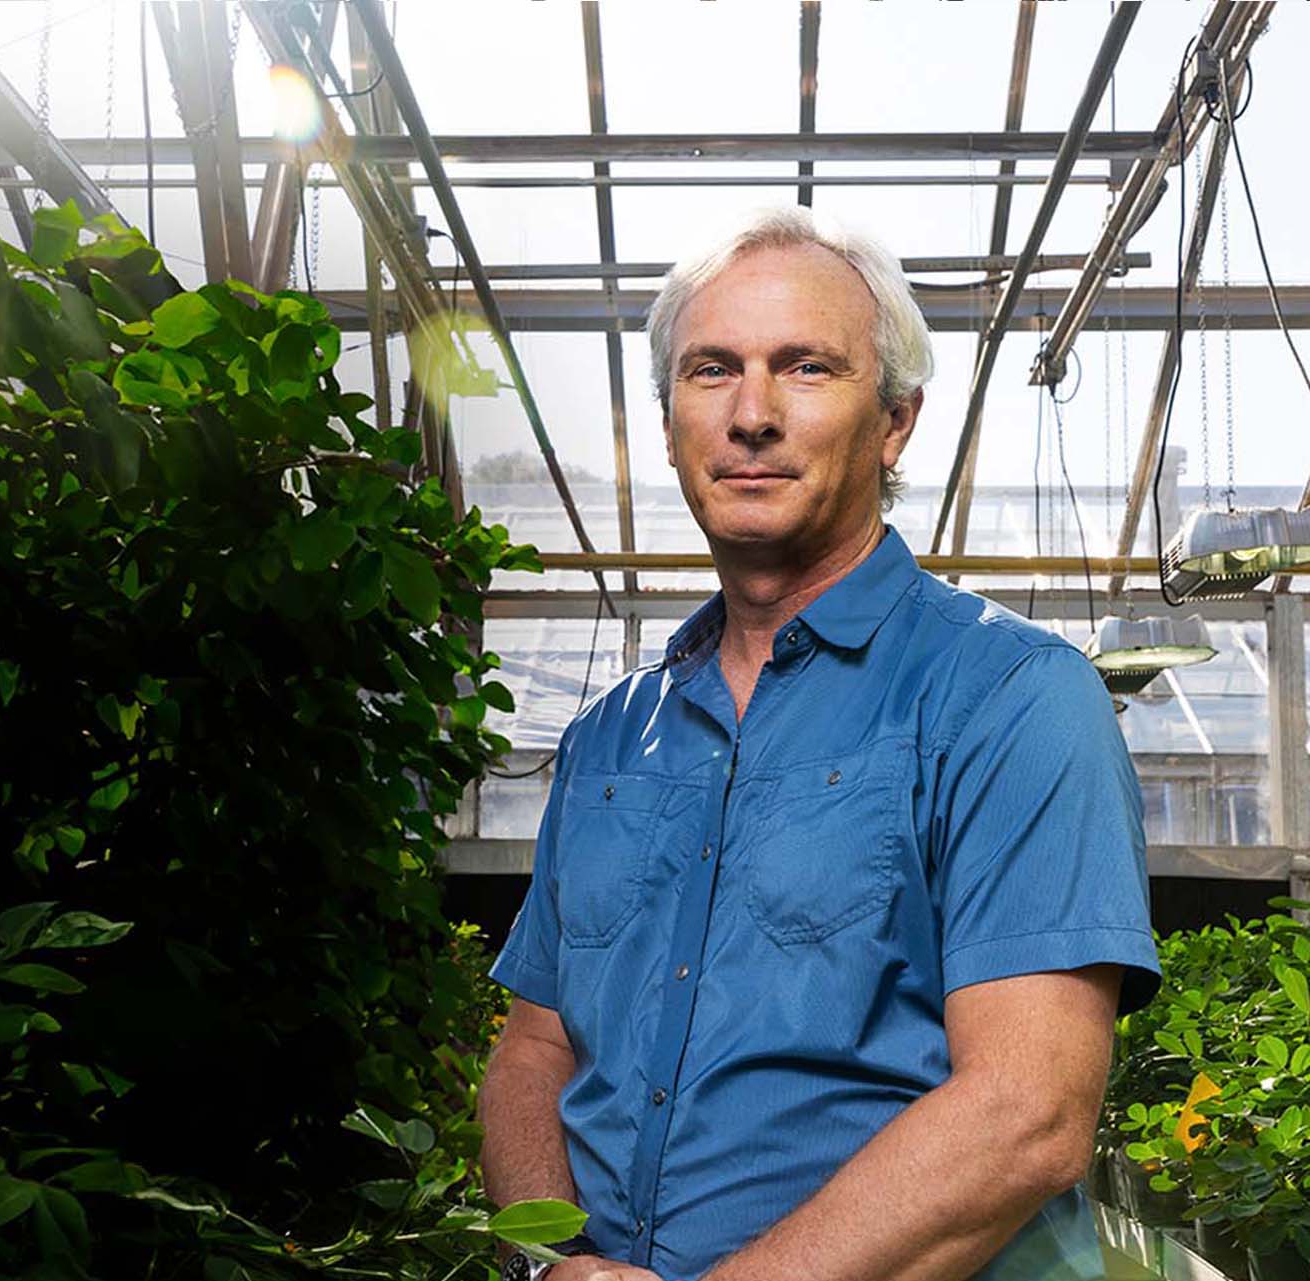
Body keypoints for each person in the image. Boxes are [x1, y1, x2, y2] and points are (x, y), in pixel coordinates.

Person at [478, 207, 1161, 1281]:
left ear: (893, 422)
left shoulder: (1013, 699)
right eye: (711, 371)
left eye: (805, 367)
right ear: (668, 424)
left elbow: (1028, 1111)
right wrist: (549, 1260)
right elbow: (533, 1050)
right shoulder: (606, 740)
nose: (752, 413)